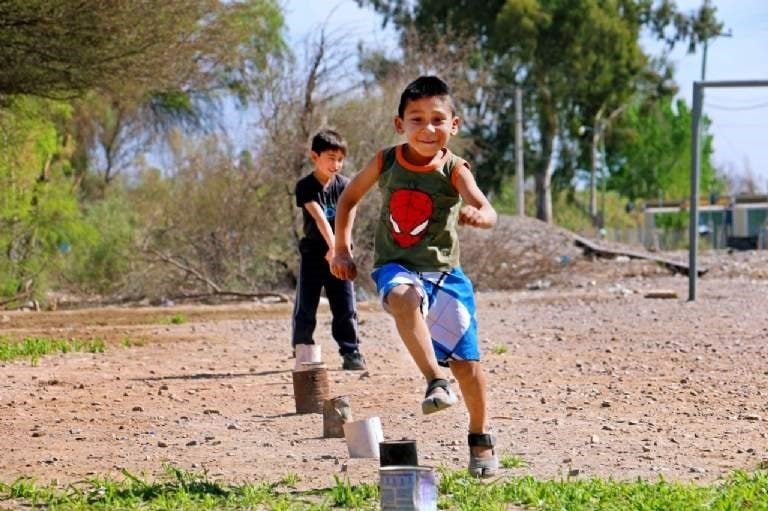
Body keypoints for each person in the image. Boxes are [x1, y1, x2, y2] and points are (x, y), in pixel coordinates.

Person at [330, 76, 498, 477]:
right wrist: (340, 246)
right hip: (397, 266)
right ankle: (435, 380)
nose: (428, 129)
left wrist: (480, 216)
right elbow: (349, 198)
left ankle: (479, 436)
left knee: (468, 367)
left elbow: (486, 207)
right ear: (399, 124)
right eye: (417, 119)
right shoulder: (386, 161)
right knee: (404, 298)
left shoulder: (455, 169)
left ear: (453, 125)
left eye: (437, 120)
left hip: (445, 273)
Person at [292, 129, 366, 371]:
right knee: (306, 305)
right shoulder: (305, 186)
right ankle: (304, 349)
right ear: (315, 156)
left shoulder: (346, 185)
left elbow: (349, 217)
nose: (336, 164)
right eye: (331, 158)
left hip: (342, 254)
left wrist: (340, 250)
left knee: (344, 305)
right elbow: (320, 217)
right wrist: (332, 248)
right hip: (314, 254)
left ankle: (351, 351)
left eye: (340, 159)